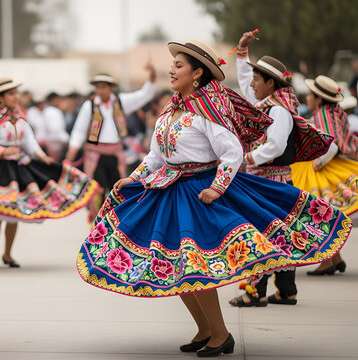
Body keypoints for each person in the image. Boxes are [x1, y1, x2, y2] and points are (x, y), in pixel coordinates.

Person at [76, 40, 350, 357]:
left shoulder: (206, 111)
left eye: (178, 65)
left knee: (196, 268)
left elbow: (232, 153)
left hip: (199, 192)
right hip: (169, 190)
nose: (171, 69)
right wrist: (134, 178)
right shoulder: (170, 109)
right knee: (176, 268)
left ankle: (220, 334)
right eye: (173, 65)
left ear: (197, 74)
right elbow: (155, 156)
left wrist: (218, 187)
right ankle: (204, 329)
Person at [0, 78, 99, 269]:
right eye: (10, 94)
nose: (15, 97)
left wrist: (42, 157)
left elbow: (30, 143)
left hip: (17, 168)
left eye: (15, 93)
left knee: (15, 214)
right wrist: (4, 151)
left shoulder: (19, 119)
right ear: (0, 97)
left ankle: (8, 254)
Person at [228, 31, 333, 307]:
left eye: (257, 79)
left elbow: (274, 147)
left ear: (270, 83)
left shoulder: (279, 112)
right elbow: (244, 85)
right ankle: (286, 291)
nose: (252, 84)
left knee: (261, 231)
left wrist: (247, 159)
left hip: (271, 181)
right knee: (282, 233)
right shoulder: (271, 106)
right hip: (272, 181)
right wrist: (242, 52)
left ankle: (255, 293)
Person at [64, 69, 156, 223]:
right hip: (96, 154)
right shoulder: (90, 105)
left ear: (111, 87)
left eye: (103, 86)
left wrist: (151, 80)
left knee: (117, 189)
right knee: (97, 190)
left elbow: (144, 95)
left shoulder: (121, 102)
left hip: (115, 154)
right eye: (98, 87)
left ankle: (113, 223)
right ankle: (96, 223)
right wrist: (69, 157)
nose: (100, 90)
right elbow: (78, 132)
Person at [290, 75, 358, 276]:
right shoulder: (331, 112)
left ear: (318, 99)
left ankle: (328, 262)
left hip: (321, 169)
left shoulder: (322, 115)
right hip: (329, 165)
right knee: (320, 213)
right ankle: (335, 259)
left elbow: (332, 145)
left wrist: (317, 164)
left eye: (311, 95)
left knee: (316, 214)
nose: (308, 98)